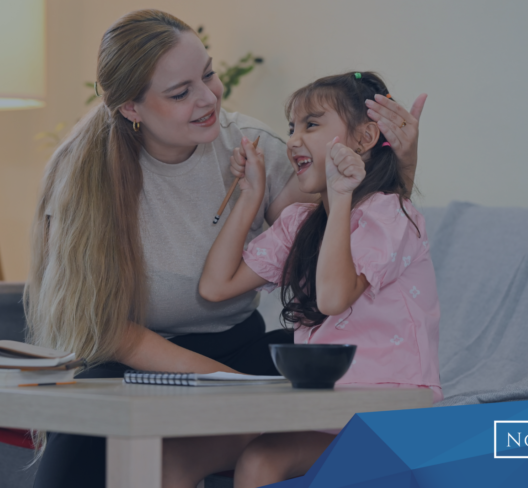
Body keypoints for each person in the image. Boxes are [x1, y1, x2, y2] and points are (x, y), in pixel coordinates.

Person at [27, 9, 426, 487]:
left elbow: (348, 233)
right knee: (82, 438)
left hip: (239, 346)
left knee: (326, 356)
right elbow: (110, 331)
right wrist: (233, 391)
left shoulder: (251, 146)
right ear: (132, 108)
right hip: (130, 360)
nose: (208, 97)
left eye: (208, 74)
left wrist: (401, 162)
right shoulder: (82, 176)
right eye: (181, 92)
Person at [163, 71, 440, 488]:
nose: (292, 140)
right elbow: (216, 287)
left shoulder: (389, 214)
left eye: (311, 124)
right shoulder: (300, 222)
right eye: (291, 127)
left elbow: (332, 298)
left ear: (365, 138)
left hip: (386, 414)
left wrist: (341, 196)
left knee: (262, 460)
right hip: (318, 409)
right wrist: (250, 196)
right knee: (173, 459)